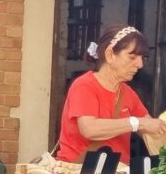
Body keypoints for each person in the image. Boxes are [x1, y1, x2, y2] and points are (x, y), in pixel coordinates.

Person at [56, 25, 166, 165]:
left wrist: (158, 128)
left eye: (142, 58)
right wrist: (136, 123)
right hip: (79, 172)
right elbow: (89, 129)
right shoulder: (84, 85)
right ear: (109, 55)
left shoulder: (127, 92)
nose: (140, 64)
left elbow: (151, 129)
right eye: (132, 57)